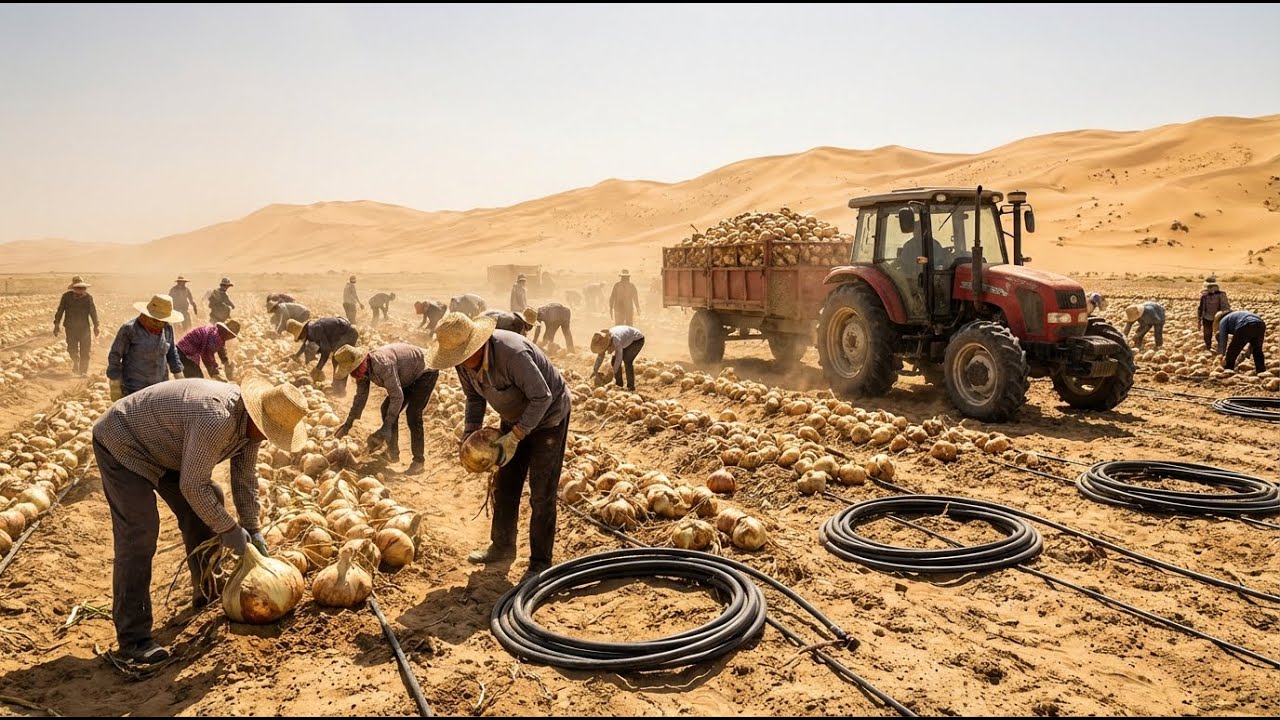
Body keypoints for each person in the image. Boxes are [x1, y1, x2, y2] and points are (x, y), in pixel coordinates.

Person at [92, 377, 307, 664]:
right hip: (124, 442)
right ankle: (134, 639)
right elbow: (193, 486)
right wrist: (228, 528)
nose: (269, 437)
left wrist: (252, 528)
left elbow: (244, 479)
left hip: (165, 449)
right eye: (270, 431)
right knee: (139, 533)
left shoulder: (251, 431)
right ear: (257, 415)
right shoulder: (216, 418)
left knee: (210, 501)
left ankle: (207, 591)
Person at [425, 313, 571, 581]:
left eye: (461, 357)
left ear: (476, 345)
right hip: (514, 416)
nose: (459, 364)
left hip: (549, 418)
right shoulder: (463, 364)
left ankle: (540, 562)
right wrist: (469, 434)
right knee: (505, 484)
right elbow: (473, 397)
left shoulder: (513, 354)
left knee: (541, 492)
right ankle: (502, 546)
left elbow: (542, 397)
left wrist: (516, 436)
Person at [332, 343, 438, 475]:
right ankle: (392, 453)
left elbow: (397, 396)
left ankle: (418, 462)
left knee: (413, 414)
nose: (354, 374)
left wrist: (387, 426)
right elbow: (361, 397)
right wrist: (348, 424)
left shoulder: (382, 364)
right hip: (407, 375)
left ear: (362, 361)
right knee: (386, 408)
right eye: (351, 372)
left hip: (425, 371)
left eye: (354, 370)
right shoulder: (361, 372)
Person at [107, 295, 184, 400]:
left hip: (159, 387)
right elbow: (115, 355)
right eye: (156, 320)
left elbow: (172, 353)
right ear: (147, 315)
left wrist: (179, 376)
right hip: (133, 388)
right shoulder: (130, 329)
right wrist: (114, 383)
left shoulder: (167, 329)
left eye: (164, 321)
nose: (160, 324)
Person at [287, 317, 358, 393]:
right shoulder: (310, 327)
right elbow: (305, 344)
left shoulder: (314, 330)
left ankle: (339, 389)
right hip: (344, 332)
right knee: (335, 358)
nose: (301, 339)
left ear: (302, 332)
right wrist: (296, 355)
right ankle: (337, 386)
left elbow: (326, 351)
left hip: (349, 333)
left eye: (300, 337)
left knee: (338, 358)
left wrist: (318, 368)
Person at [53, 275, 100, 375]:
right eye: (79, 288)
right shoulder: (66, 297)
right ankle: (76, 361)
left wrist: (96, 326)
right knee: (71, 348)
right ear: (74, 288)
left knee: (85, 350)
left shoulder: (88, 298)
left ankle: (83, 372)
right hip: (70, 328)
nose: (82, 290)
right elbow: (60, 310)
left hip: (84, 328)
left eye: (83, 288)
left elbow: (93, 312)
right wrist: (56, 324)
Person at [590, 325, 646, 391]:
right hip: (626, 340)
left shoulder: (616, 340)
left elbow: (619, 358)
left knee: (627, 360)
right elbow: (600, 356)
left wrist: (614, 372)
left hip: (637, 340)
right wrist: (595, 370)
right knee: (614, 361)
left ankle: (631, 387)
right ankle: (619, 384)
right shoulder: (604, 340)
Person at [1197, 276, 1231, 351]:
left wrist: (1199, 321)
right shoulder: (1205, 296)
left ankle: (1216, 348)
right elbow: (1201, 308)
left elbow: (1225, 307)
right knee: (1210, 334)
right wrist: (1199, 321)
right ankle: (1215, 348)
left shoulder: (1206, 296)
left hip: (1216, 318)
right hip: (1214, 318)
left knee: (1214, 334)